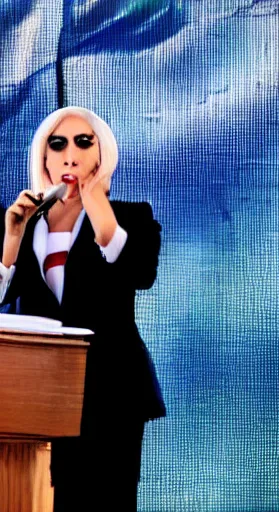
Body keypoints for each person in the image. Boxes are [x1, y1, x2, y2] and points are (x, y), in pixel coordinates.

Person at [0, 106, 166, 511]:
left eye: (82, 142)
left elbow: (140, 273)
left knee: (106, 499)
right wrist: (11, 239)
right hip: (38, 395)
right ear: (44, 157)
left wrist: (97, 205)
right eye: (57, 145)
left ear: (101, 154)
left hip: (112, 393)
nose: (69, 155)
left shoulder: (131, 216)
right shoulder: (24, 221)